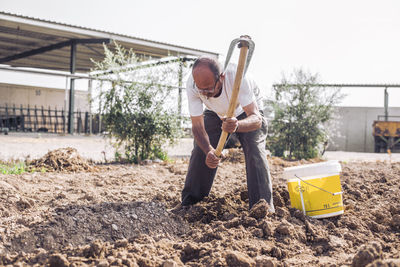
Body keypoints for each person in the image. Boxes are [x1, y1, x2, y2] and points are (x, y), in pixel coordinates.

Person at [180, 56, 274, 211]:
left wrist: (236, 125)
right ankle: (191, 203)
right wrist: (209, 150)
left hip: (247, 112)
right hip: (215, 112)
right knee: (200, 149)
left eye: (209, 88)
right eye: (201, 90)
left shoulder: (238, 77)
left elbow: (257, 119)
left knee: (254, 149)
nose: (206, 94)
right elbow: (197, 126)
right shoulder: (193, 85)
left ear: (221, 78)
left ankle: (262, 208)